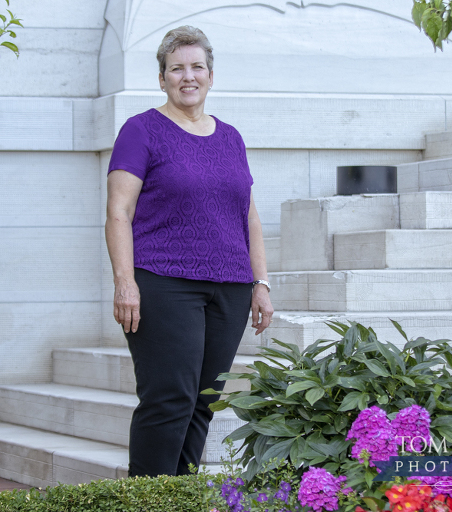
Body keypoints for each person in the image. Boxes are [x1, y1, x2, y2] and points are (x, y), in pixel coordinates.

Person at [104, 25, 274, 478]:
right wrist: (125, 283)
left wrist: (261, 283)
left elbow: (249, 216)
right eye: (176, 68)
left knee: (203, 402)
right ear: (162, 78)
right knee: (168, 400)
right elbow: (118, 213)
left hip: (231, 288)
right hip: (164, 282)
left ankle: (182, 494)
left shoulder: (231, 137)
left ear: (211, 75)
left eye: (197, 67)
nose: (188, 76)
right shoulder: (141, 131)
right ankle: (147, 500)